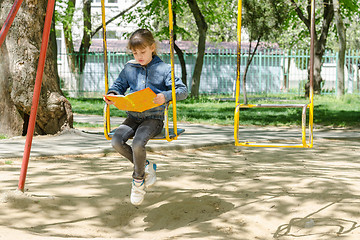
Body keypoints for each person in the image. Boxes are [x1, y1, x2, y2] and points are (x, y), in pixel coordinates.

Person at [104, 29, 188, 206]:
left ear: (152, 47)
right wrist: (113, 95)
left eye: (143, 52)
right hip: (133, 116)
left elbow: (182, 91)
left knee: (137, 143)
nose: (139, 56)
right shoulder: (129, 68)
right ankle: (146, 165)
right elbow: (118, 85)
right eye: (135, 53)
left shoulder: (165, 69)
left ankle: (138, 180)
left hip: (153, 118)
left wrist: (165, 96)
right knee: (116, 141)